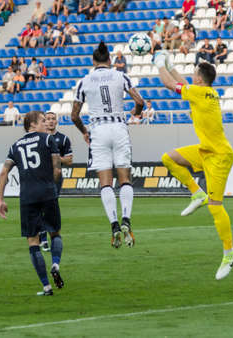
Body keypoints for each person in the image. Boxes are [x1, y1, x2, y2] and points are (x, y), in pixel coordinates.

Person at [153, 51, 233, 280]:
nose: (191, 77)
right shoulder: (203, 92)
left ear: (199, 79)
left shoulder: (201, 92)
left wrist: (159, 64)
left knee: (216, 206)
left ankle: (229, 253)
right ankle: (196, 193)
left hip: (219, 156)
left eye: (193, 74)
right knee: (169, 158)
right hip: (206, 150)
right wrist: (171, 65)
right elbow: (180, 82)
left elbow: (170, 84)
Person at [71, 42, 145, 249]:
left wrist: (85, 132)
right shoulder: (120, 76)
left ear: (93, 61)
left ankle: (113, 225)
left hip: (98, 129)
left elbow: (74, 115)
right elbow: (140, 101)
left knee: (105, 182)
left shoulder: (84, 81)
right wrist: (135, 114)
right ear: (110, 61)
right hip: (118, 127)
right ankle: (126, 220)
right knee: (125, 179)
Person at [0, 110, 65, 296]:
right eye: (43, 121)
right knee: (55, 232)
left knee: (32, 241)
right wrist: (51, 186)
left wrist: (1, 200)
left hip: (27, 197)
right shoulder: (47, 140)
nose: (46, 124)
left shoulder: (15, 146)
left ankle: (46, 287)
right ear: (32, 125)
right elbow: (57, 170)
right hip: (47, 193)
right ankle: (56, 264)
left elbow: (4, 173)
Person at [39, 111, 73, 251]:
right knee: (40, 206)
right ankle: (42, 238)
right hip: (40, 177)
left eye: (53, 119)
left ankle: (49, 235)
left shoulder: (63, 139)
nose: (51, 121)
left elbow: (69, 160)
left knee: (50, 207)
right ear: (44, 122)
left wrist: (54, 158)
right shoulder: (39, 139)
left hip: (56, 177)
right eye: (48, 119)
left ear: (57, 121)